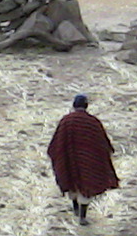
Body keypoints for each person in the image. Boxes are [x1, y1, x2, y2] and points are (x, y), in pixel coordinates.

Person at [47, 94, 119, 224]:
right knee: (86, 186)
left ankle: (75, 208)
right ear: (86, 106)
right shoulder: (92, 122)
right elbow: (102, 142)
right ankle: (82, 216)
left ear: (74, 105)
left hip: (69, 157)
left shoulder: (65, 121)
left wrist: (60, 156)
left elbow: (56, 144)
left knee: (72, 182)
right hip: (87, 160)